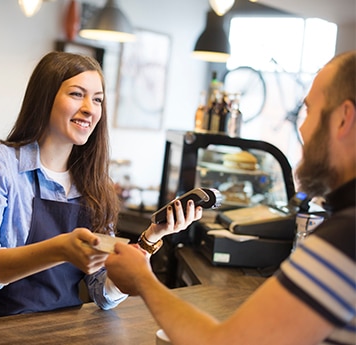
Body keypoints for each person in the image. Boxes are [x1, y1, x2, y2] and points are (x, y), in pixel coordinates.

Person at [105, 50, 356, 345]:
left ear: (343, 119)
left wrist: (143, 281)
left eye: (310, 111)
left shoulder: (345, 237)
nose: (302, 127)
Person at [0, 51, 201, 318]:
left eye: (97, 100)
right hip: (6, 327)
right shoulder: (2, 164)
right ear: (45, 97)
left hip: (68, 331)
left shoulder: (95, 183)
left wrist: (153, 236)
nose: (89, 108)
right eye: (76, 94)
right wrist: (58, 249)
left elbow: (102, 294)